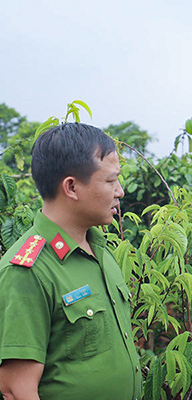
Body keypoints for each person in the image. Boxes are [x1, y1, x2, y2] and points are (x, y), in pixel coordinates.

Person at [0, 123, 142, 399]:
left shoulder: (100, 249)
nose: (121, 192)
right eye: (111, 181)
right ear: (72, 187)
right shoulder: (27, 271)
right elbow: (16, 390)